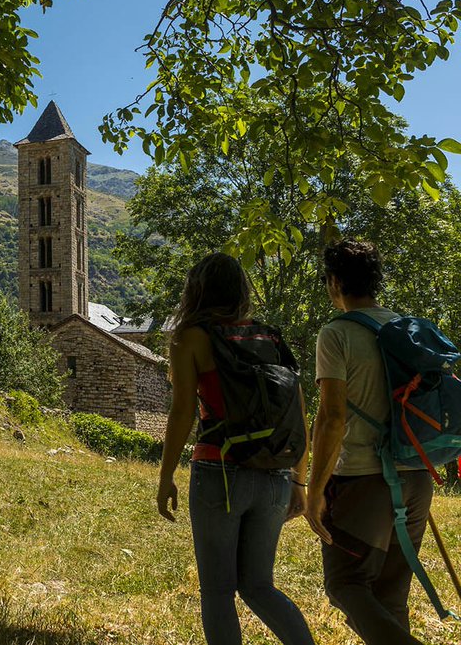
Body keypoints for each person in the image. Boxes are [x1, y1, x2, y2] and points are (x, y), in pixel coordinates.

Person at [156, 252, 314, 645]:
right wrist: (300, 481)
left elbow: (182, 413)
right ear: (241, 290)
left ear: (195, 290)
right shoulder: (270, 336)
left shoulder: (190, 337)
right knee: (260, 586)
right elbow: (299, 412)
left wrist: (165, 476)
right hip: (276, 476)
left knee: (217, 590)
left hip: (219, 473)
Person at [305, 239, 431, 645]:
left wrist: (313, 491)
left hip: (363, 480)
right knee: (390, 596)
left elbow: (332, 417)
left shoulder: (336, 333)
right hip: (415, 477)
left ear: (335, 282)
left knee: (345, 584)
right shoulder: (406, 330)